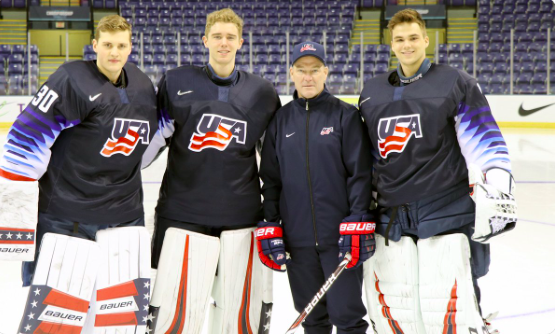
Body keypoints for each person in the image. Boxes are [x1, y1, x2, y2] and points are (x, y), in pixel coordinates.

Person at [358, 9, 516, 334]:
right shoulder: (372, 93)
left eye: (413, 37)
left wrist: (498, 185)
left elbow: (484, 138)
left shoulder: (455, 82)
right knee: (400, 309)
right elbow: (369, 157)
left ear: (426, 40)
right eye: (400, 39)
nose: (407, 45)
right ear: (391, 44)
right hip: (392, 218)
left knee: (452, 308)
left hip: (446, 210)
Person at [0, 15, 157, 332]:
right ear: (95, 45)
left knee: (116, 320)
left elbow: (154, 141)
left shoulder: (142, 84)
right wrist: (15, 224)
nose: (114, 52)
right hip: (66, 219)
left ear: (130, 48)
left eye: (121, 46)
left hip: (123, 219)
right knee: (56, 318)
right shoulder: (70, 80)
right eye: (108, 45)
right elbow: (23, 141)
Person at [143, 8, 281, 334]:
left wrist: (277, 218)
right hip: (181, 216)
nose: (223, 43)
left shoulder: (262, 93)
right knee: (173, 317)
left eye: (230, 37)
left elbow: (275, 166)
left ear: (241, 42)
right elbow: (148, 147)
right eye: (217, 36)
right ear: (205, 40)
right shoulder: (176, 82)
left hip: (242, 219)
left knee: (239, 318)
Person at [257, 41, 375, 334]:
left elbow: (360, 175)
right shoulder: (280, 121)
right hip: (298, 242)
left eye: (314, 70)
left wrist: (358, 220)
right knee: (312, 318)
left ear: (326, 72)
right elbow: (271, 180)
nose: (307, 77)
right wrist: (271, 224)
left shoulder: (345, 116)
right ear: (291, 74)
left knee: (347, 317)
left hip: (340, 241)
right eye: (301, 70)